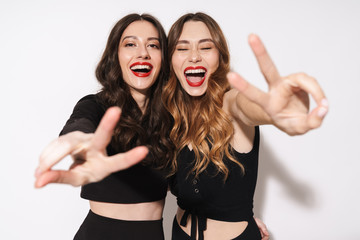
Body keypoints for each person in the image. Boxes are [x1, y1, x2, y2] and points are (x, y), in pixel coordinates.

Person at [162, 12, 328, 240]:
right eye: (182, 48)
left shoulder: (229, 102)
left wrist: (273, 112)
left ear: (220, 57)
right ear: (170, 59)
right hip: (179, 233)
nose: (194, 57)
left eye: (206, 47)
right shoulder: (172, 114)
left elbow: (244, 106)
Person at [35, 13, 175, 240]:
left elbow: (192, 185)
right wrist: (76, 141)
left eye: (153, 45)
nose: (143, 53)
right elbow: (81, 124)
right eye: (130, 44)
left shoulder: (172, 117)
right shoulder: (96, 105)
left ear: (163, 58)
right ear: (116, 56)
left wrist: (237, 221)